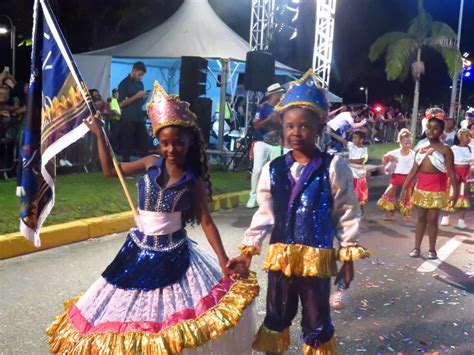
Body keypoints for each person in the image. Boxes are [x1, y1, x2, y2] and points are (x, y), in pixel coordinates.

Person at [47, 81, 259, 353]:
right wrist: (100, 135)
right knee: (130, 313)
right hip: (137, 250)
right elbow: (111, 172)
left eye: (178, 144)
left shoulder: (192, 182)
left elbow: (206, 221)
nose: (171, 150)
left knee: (166, 319)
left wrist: (222, 259)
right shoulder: (149, 162)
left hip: (174, 254)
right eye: (165, 143)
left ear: (189, 143)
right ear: (158, 141)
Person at [228, 70, 370, 354]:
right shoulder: (274, 169)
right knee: (276, 316)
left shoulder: (333, 166)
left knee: (317, 321)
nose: (295, 132)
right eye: (289, 126)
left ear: (318, 128)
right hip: (280, 258)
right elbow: (265, 213)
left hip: (316, 260)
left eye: (303, 126)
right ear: (282, 127)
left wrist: (349, 256)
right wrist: (247, 251)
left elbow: (346, 212)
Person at [400, 109, 458, 260]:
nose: (431, 131)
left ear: (441, 131)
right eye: (428, 128)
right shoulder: (420, 148)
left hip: (438, 189)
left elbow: (451, 173)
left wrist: (455, 192)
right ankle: (416, 247)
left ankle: (432, 249)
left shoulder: (446, 150)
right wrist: (405, 188)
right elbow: (413, 171)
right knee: (421, 219)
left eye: (435, 128)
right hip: (421, 188)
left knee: (433, 220)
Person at [246, 83, 286, 208]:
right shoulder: (262, 108)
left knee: (274, 172)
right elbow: (256, 126)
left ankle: (272, 197)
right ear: (273, 94)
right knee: (257, 170)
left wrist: (277, 120)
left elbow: (284, 126)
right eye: (279, 93)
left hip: (275, 144)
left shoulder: (282, 109)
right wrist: (269, 119)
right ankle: (253, 195)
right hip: (261, 143)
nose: (281, 96)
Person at [377, 129, 416, 219]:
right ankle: (389, 211)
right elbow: (384, 160)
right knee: (388, 194)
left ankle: (406, 213)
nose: (408, 145)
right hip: (396, 176)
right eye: (406, 143)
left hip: (408, 177)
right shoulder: (395, 152)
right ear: (401, 142)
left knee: (407, 196)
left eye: (410, 143)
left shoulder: (413, 154)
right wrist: (388, 158)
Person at [329, 129, 369, 212]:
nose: (353, 139)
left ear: (361, 140)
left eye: (355, 138)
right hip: (351, 174)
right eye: (353, 138)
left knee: (359, 194)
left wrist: (348, 160)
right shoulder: (351, 146)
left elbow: (361, 161)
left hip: (359, 176)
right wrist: (331, 132)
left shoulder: (364, 150)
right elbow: (342, 140)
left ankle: (360, 210)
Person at [440, 128, 473, 229]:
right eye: (466, 136)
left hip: (467, 173)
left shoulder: (471, 148)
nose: (469, 138)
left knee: (464, 195)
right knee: (452, 193)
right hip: (455, 172)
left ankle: (461, 220)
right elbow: (448, 162)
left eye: (470, 136)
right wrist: (453, 173)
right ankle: (446, 216)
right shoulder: (453, 148)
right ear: (459, 137)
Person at [118, 61, 149, 162]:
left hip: (139, 116)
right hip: (128, 118)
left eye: (142, 75)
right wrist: (137, 96)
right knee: (127, 143)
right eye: (139, 75)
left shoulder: (140, 84)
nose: (140, 77)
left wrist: (144, 98)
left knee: (144, 142)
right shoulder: (123, 84)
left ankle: (146, 167)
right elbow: (121, 103)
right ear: (134, 71)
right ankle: (126, 167)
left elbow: (140, 103)